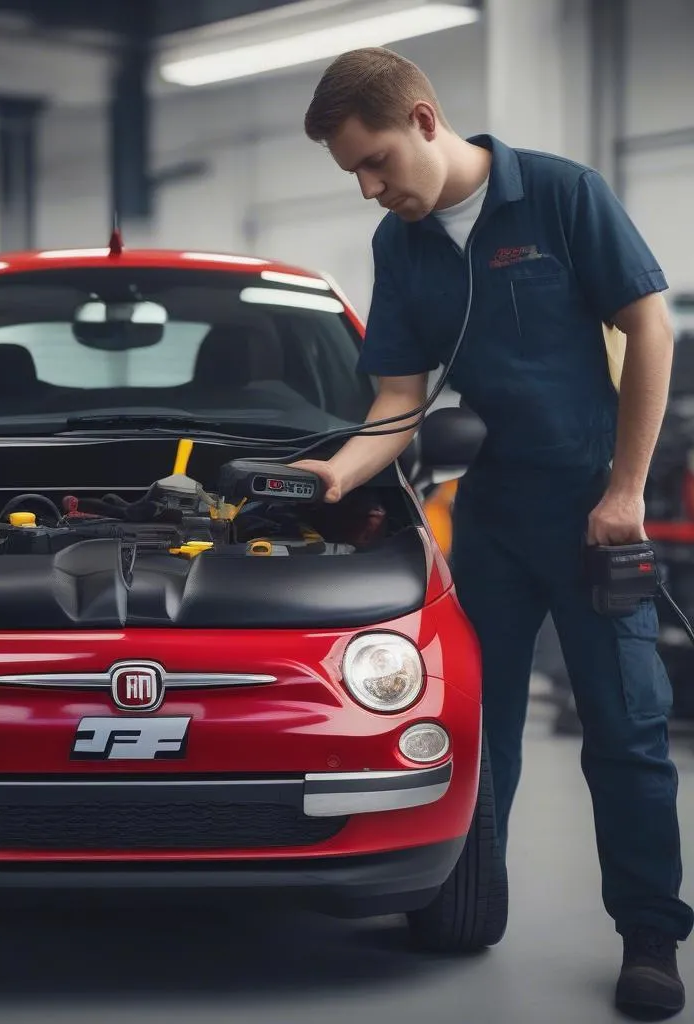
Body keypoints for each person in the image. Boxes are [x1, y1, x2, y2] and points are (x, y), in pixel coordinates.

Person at [294, 46, 692, 1019]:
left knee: (626, 730)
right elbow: (397, 398)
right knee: (479, 729)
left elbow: (649, 328)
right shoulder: (402, 246)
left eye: (377, 161)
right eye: (353, 174)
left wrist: (626, 490)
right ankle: (470, 898)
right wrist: (335, 471)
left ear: (425, 119)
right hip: (493, 519)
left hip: (594, 511)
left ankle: (647, 935)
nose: (370, 189)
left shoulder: (561, 196)